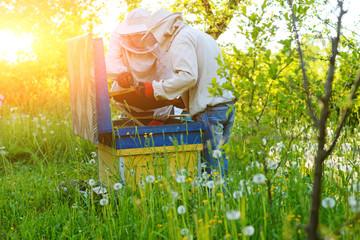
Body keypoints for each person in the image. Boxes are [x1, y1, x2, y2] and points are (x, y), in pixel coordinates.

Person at [136, 9, 235, 178]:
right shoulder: (200, 36)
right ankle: (223, 203)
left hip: (210, 110)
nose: (156, 41)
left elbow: (188, 76)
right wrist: (183, 101)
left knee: (212, 171)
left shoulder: (180, 40)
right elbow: (205, 75)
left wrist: (155, 89)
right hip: (226, 106)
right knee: (220, 168)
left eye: (154, 35)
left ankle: (214, 204)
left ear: (163, 29)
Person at [106, 8, 176, 122]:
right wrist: (120, 73)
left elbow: (169, 77)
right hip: (130, 96)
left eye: (141, 33)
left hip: (158, 97)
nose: (138, 37)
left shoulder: (161, 39)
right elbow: (111, 59)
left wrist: (161, 117)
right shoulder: (118, 35)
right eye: (135, 34)